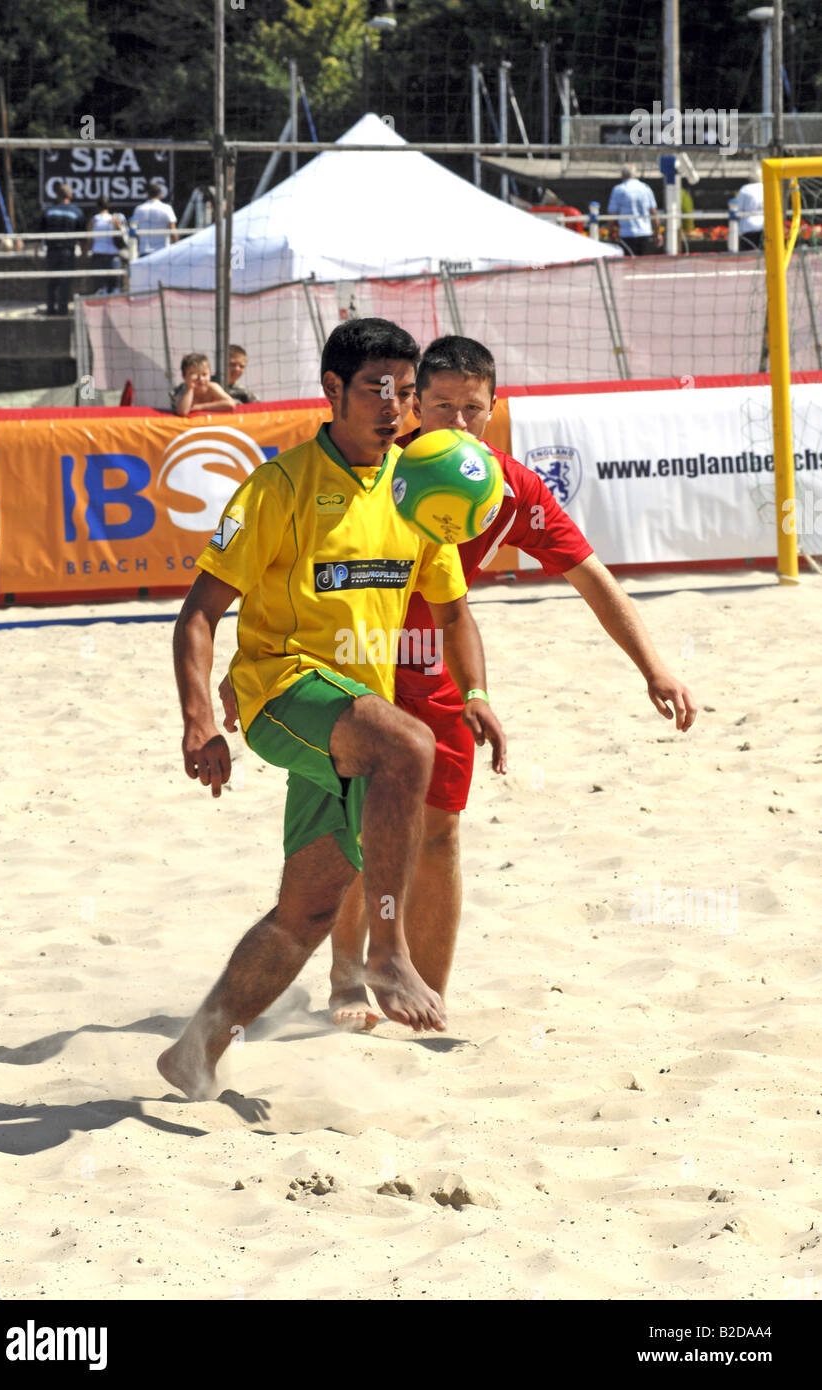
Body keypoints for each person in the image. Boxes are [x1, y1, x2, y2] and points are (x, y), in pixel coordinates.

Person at [299, 335, 695, 1030]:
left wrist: (653, 665)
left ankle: (428, 998)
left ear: (493, 409)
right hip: (361, 662)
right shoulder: (375, 469)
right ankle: (345, 982)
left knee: (441, 836)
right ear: (415, 403)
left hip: (446, 670)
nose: (456, 423)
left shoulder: (512, 487)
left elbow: (591, 576)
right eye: (442, 405)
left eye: (471, 409)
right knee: (367, 832)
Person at [158, 318, 507, 1100]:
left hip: (354, 723)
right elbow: (199, 614)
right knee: (410, 746)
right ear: (333, 393)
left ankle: (195, 1049)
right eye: (378, 392)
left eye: (407, 394)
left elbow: (454, 613)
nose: (395, 409)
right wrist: (198, 720)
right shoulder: (279, 486)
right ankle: (386, 949)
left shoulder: (417, 490)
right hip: (281, 691)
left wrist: (477, 693)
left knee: (307, 910)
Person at [38, 183, 85, 316]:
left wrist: (36, 251)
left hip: (52, 251)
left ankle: (50, 309)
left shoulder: (48, 211)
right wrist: (84, 255)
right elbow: (82, 237)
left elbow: (39, 233)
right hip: (67, 252)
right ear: (70, 195)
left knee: (52, 281)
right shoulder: (76, 211)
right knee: (65, 282)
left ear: (57, 195)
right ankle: (62, 310)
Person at [607, 164, 662, 256]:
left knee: (629, 266)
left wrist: (610, 233)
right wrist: (658, 233)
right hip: (645, 232)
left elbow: (612, 214)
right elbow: (654, 212)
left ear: (622, 175)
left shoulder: (618, 190)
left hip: (627, 234)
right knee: (644, 265)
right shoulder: (645, 188)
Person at [172, 353, 236, 416]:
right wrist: (190, 389)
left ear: (210, 374)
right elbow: (183, 412)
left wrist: (200, 407)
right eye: (195, 374)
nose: (201, 379)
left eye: (204, 374)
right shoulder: (183, 391)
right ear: (184, 377)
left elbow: (231, 404)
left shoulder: (212, 387)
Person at [88, 198, 126, 295]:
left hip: (98, 255)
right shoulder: (116, 219)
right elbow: (124, 236)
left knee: (100, 288)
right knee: (115, 287)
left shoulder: (94, 220)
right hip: (113, 256)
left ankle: (101, 309)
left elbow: (90, 239)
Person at [130, 180, 178, 257]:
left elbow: (133, 230)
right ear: (160, 194)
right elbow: (173, 230)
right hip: (162, 252)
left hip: (144, 251)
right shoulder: (166, 208)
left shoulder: (138, 209)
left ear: (147, 194)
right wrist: (177, 247)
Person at [735, 165, 764, 251]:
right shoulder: (767, 187)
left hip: (748, 228)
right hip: (765, 226)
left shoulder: (745, 189)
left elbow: (737, 209)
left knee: (748, 256)